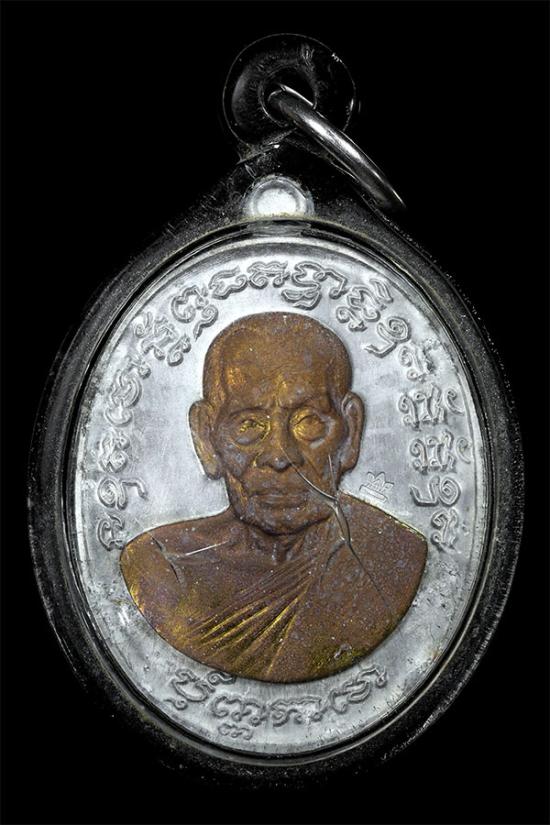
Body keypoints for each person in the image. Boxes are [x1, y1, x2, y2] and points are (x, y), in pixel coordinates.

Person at [121, 312, 427, 682]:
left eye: (308, 421)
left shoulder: (392, 559)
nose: (280, 456)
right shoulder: (161, 569)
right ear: (206, 437)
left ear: (351, 430)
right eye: (249, 425)